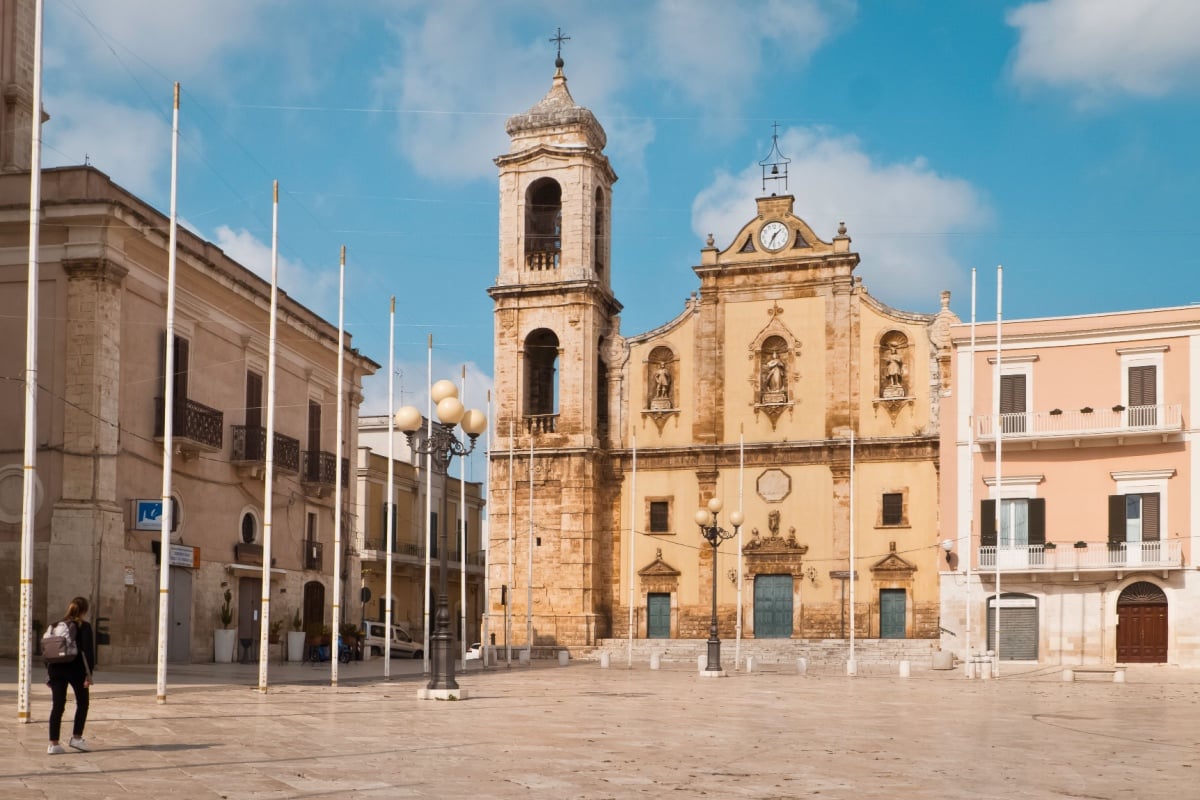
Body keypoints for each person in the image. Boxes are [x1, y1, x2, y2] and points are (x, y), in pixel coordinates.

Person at [46, 596, 94, 754]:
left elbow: (47, 651)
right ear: (84, 610)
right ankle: (77, 738)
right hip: (76, 669)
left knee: (57, 705)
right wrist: (89, 674)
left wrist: (49, 672)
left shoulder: (54, 625)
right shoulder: (84, 626)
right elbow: (88, 652)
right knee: (82, 702)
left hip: (55, 669)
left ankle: (53, 744)